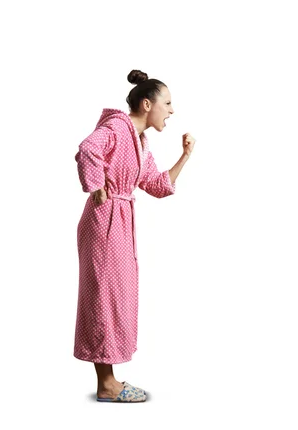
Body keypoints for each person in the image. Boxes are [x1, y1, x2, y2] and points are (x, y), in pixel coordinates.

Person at [74, 69, 196, 403]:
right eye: (167, 103)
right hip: (104, 219)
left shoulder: (139, 143)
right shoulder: (116, 128)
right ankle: (107, 384)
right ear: (147, 104)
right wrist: (96, 185)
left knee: (117, 294)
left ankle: (109, 378)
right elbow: (88, 150)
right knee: (104, 294)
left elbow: (158, 185)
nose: (171, 110)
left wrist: (185, 155)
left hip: (121, 220)